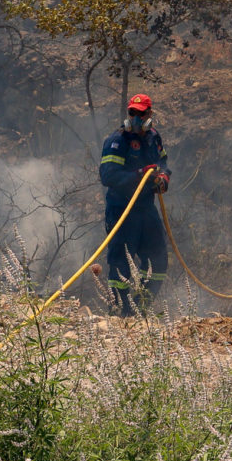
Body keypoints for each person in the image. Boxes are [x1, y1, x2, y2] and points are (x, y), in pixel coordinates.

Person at [98, 93, 171, 315]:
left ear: (150, 114)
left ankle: (139, 310)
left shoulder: (154, 137)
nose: (137, 118)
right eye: (132, 113)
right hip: (122, 210)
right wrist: (140, 175)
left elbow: (163, 163)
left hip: (146, 209)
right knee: (120, 264)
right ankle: (120, 313)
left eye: (141, 113)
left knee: (158, 260)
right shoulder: (117, 141)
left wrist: (163, 179)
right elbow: (108, 176)